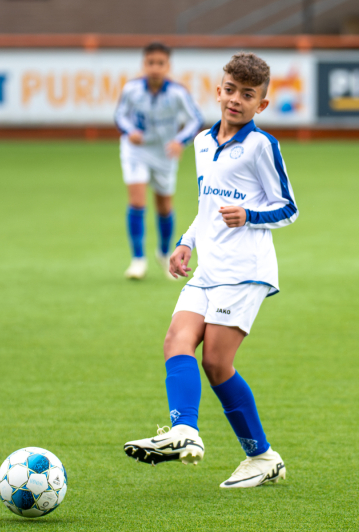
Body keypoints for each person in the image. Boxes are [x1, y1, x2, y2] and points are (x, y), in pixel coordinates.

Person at [124, 52, 298, 488]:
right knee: (175, 340)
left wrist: (251, 216)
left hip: (245, 270)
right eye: (230, 90)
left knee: (217, 363)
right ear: (218, 90)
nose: (235, 99)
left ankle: (262, 457)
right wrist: (185, 242)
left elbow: (288, 208)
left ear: (261, 104)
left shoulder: (262, 146)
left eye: (248, 95)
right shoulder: (201, 141)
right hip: (208, 266)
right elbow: (206, 207)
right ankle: (184, 432)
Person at [114, 42, 203, 279]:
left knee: (164, 206)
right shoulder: (132, 89)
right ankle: (137, 260)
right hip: (136, 151)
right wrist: (129, 131)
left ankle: (163, 254)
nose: (155, 68)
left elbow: (196, 119)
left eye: (160, 63)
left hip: (164, 153)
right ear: (144, 65)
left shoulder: (177, 93)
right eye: (150, 63)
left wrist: (180, 141)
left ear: (168, 66)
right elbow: (120, 115)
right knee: (137, 202)